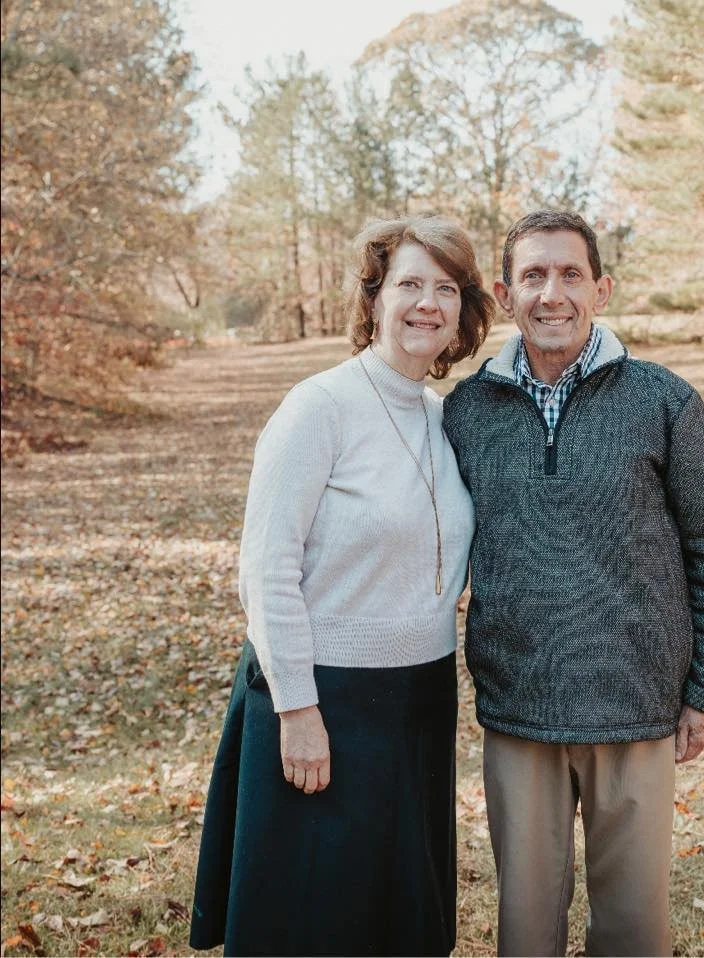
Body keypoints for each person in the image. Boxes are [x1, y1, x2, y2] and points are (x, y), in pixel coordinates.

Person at [189, 216, 495, 957]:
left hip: (418, 698)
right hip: (320, 696)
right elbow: (266, 567)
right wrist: (298, 708)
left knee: (395, 918)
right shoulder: (317, 407)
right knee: (310, 919)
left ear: (463, 311)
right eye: (409, 284)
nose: (427, 303)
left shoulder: (440, 417)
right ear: (375, 300)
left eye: (445, 288)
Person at [442, 209, 704, 957]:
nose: (553, 293)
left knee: (635, 930)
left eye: (570, 274)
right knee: (525, 929)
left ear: (601, 289)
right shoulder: (465, 412)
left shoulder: (664, 401)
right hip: (520, 708)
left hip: (636, 704)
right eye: (534, 276)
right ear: (507, 296)